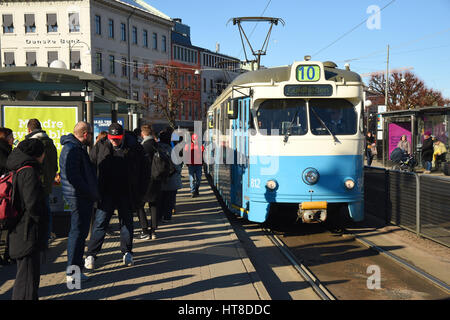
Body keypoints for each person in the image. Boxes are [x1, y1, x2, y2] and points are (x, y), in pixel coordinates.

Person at [85, 123, 148, 269]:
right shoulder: (101, 146)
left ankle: (127, 252)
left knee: (126, 223)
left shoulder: (134, 147)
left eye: (118, 139)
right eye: (112, 139)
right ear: (108, 136)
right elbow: (91, 166)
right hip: (105, 192)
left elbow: (145, 171)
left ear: (123, 136)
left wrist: (141, 193)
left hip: (126, 192)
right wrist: (93, 190)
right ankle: (91, 255)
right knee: (100, 223)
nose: (115, 141)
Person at [6, 139, 47, 300]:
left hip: (19, 231)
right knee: (27, 279)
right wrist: (41, 220)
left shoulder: (18, 168)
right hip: (27, 232)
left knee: (25, 276)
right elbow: (33, 204)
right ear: (37, 154)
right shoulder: (29, 172)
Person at [59, 121, 99, 284]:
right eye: (90, 134)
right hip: (79, 198)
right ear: (85, 134)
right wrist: (88, 192)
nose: (92, 137)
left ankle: (75, 270)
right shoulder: (74, 149)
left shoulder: (74, 148)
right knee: (77, 235)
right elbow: (74, 176)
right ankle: (73, 273)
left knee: (78, 235)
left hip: (78, 197)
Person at [25, 119, 58, 242]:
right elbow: (54, 165)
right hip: (47, 181)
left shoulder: (32, 144)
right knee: (46, 209)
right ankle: (47, 234)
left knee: (33, 210)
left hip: (34, 181)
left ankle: (36, 237)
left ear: (29, 130)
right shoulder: (50, 142)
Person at [136, 124, 159, 240]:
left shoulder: (143, 146)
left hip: (145, 180)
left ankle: (144, 230)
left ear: (142, 134)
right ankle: (154, 231)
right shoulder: (156, 145)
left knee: (139, 205)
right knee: (153, 205)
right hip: (157, 179)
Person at [157, 129, 182, 222]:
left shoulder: (156, 149)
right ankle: (167, 217)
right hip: (171, 180)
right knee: (170, 199)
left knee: (160, 199)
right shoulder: (172, 150)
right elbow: (177, 166)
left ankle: (158, 216)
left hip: (158, 179)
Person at [0, 127, 14, 265]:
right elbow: (8, 167)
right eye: (11, 136)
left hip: (4, 192)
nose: (13, 139)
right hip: (3, 192)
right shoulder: (4, 152)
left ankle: (7, 254)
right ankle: (7, 255)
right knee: (7, 222)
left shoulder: (7, 150)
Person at [185, 133, 204, 197]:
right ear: (192, 140)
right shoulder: (188, 146)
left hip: (198, 165)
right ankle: (193, 191)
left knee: (199, 179)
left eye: (197, 139)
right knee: (192, 179)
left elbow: (204, 154)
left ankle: (196, 188)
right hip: (191, 165)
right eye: (194, 139)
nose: (196, 141)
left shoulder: (200, 146)